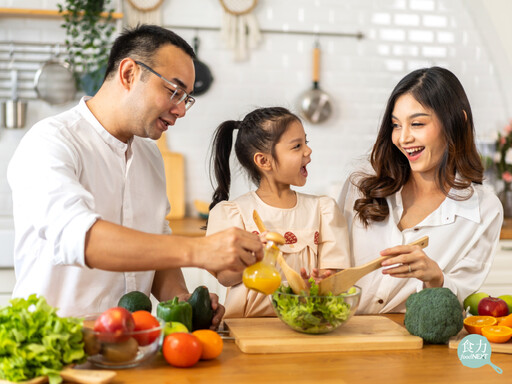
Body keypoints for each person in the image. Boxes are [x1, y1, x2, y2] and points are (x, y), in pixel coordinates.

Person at [7, 25, 263, 321]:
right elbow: (83, 239)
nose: (181, 110)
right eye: (174, 91)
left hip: (132, 344)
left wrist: (181, 300)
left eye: (186, 98)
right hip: (58, 347)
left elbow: (157, 239)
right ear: (129, 74)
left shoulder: (149, 154)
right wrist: (199, 250)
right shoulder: (51, 142)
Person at [337, 66, 503, 314]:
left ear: (457, 122)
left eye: (416, 123)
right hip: (340, 333)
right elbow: (332, 262)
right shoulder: (361, 186)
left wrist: (436, 278)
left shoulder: (484, 209)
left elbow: (462, 297)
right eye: (395, 125)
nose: (403, 138)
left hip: (411, 344)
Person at [206, 107, 350, 318]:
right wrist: (254, 257)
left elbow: (335, 276)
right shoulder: (233, 213)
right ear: (264, 161)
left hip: (307, 321)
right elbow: (225, 278)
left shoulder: (323, 210)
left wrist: (323, 281)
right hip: (247, 325)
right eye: (297, 146)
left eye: (306, 143)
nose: (308, 151)